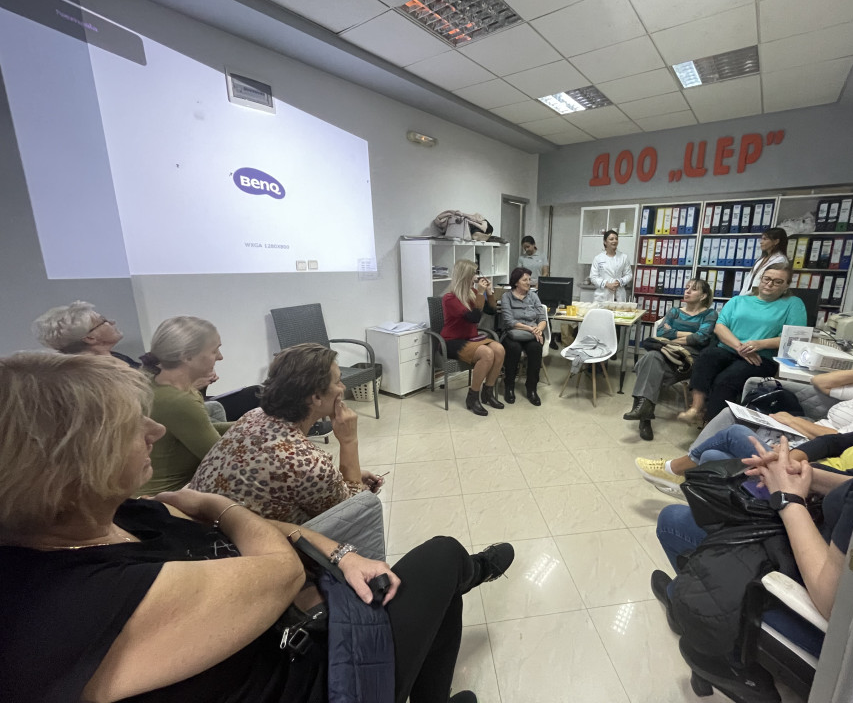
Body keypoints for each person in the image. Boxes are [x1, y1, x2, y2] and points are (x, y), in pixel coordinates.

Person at [0, 351, 513, 703]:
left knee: (440, 582)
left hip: (297, 625)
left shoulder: (237, 430)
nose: (156, 429)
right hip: (323, 679)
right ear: (69, 466)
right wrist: (219, 505)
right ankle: (468, 574)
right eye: (132, 425)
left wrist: (339, 553)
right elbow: (307, 546)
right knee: (445, 554)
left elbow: (259, 528)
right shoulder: (77, 602)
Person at [651, 435, 853, 667]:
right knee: (722, 469)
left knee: (673, 522)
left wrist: (788, 500)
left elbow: (832, 602)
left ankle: (718, 650)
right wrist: (801, 473)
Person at [190, 343, 387, 559]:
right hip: (246, 556)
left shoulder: (254, 415)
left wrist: (341, 478)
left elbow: (291, 479)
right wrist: (349, 441)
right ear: (316, 397)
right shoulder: (308, 462)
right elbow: (353, 512)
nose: (343, 387)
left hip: (199, 534)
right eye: (338, 381)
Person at [638, 359, 853, 493]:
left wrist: (792, 420)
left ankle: (676, 469)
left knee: (734, 428)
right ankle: (692, 474)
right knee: (712, 454)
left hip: (811, 446)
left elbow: (838, 439)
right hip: (804, 432)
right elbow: (821, 382)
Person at [679, 263, 806, 425]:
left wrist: (759, 344)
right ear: (760, 279)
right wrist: (741, 348)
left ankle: (712, 425)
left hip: (760, 358)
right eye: (766, 279)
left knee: (726, 380)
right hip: (731, 349)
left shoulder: (793, 304)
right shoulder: (738, 300)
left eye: (777, 282)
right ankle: (695, 409)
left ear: (787, 285)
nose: (769, 284)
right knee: (706, 357)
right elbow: (720, 327)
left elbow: (793, 338)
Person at [138, 316, 231, 495]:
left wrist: (250, 422)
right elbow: (223, 461)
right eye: (214, 351)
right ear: (187, 356)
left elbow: (202, 428)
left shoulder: (154, 382)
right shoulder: (177, 401)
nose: (220, 357)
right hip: (165, 500)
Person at [623, 278, 718, 440]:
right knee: (652, 357)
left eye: (693, 289)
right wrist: (690, 335)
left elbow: (702, 338)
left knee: (649, 363)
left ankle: (644, 416)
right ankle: (645, 416)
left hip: (690, 360)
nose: (687, 291)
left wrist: (674, 336)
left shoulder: (710, 314)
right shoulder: (674, 311)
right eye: (686, 287)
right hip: (666, 353)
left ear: (703, 296)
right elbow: (662, 332)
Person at [440, 259, 506, 416]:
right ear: (465, 276)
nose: (476, 278)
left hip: (471, 338)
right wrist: (481, 294)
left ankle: (488, 392)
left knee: (499, 349)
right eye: (473, 275)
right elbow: (474, 318)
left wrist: (489, 292)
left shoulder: (473, 293)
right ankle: (473, 396)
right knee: (487, 353)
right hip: (452, 341)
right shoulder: (449, 298)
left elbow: (491, 311)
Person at [32, 300, 140, 368]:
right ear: (90, 338)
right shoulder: (98, 375)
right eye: (103, 321)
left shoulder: (117, 357)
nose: (112, 322)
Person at [500, 267, 547, 406]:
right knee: (513, 348)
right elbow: (509, 321)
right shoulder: (506, 297)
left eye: (529, 279)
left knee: (535, 348)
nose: (528, 282)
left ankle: (531, 388)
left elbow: (542, 318)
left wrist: (539, 329)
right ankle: (509, 386)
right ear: (516, 282)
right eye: (525, 280)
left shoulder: (533, 296)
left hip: (532, 334)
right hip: (513, 333)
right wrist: (530, 328)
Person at [738, 228, 789, 295]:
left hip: (761, 296)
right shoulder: (761, 259)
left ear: (776, 241)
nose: (761, 242)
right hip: (748, 296)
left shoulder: (780, 260)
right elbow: (749, 281)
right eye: (762, 239)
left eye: (765, 239)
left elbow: (770, 283)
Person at [589, 229, 633, 303]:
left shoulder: (624, 257)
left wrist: (619, 282)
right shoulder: (598, 258)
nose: (614, 241)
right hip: (602, 295)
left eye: (616, 239)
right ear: (605, 242)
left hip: (619, 294)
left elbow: (629, 275)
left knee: (618, 309)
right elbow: (593, 277)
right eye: (611, 239)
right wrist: (607, 284)